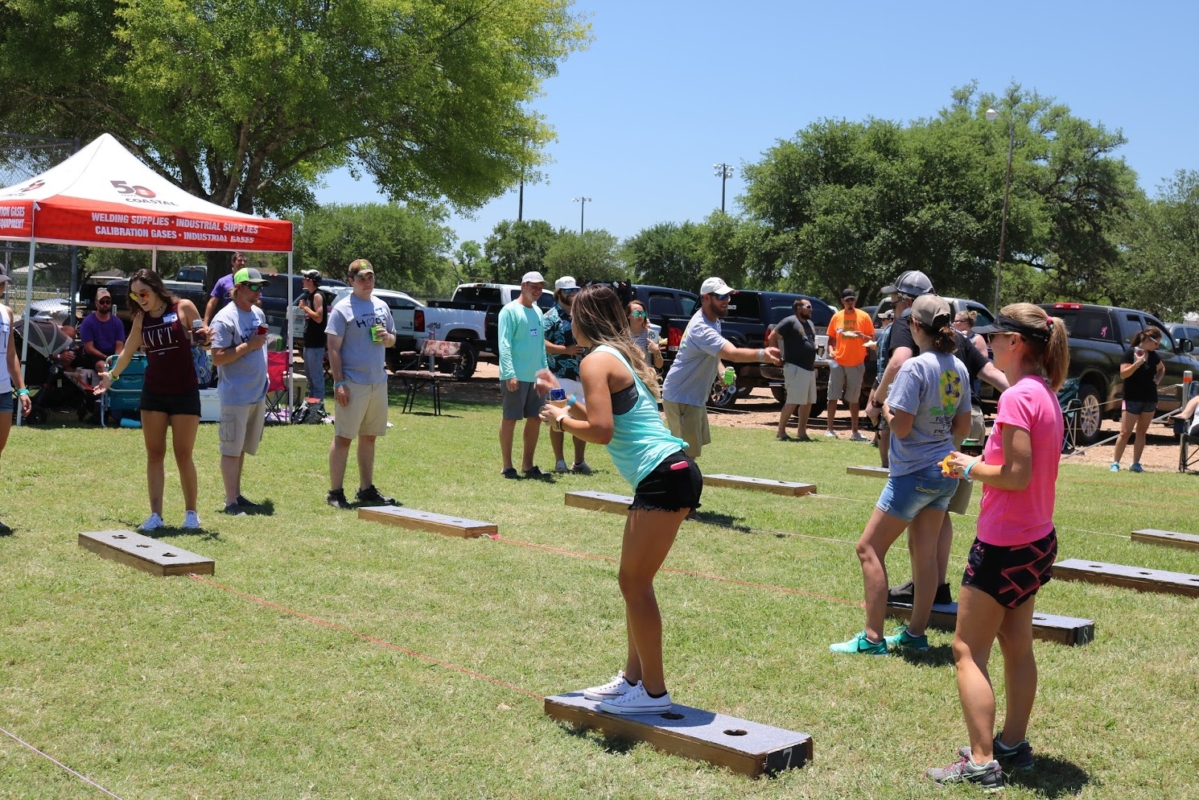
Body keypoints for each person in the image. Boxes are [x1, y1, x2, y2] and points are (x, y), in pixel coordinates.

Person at [536, 284, 702, 715]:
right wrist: (561, 398)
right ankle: (633, 680)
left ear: (581, 320)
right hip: (672, 472)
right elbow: (597, 415)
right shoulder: (619, 357)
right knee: (634, 584)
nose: (567, 322)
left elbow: (601, 432)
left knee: (633, 583)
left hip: (663, 475)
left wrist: (560, 420)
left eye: (571, 315)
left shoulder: (594, 360)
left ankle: (653, 693)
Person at [927, 304, 1068, 791]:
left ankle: (983, 761)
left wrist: (965, 466)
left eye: (994, 335)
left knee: (967, 649)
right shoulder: (1046, 394)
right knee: (1018, 645)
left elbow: (1016, 474)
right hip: (1036, 539)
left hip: (1005, 542)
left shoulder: (1015, 398)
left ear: (1017, 342)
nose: (986, 342)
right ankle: (1012, 744)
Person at [831, 295, 970, 656]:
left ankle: (872, 639)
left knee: (868, 549)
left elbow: (903, 428)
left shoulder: (915, 368)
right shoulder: (958, 366)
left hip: (912, 472)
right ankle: (915, 635)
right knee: (924, 558)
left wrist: (887, 409)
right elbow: (964, 424)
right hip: (945, 470)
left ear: (913, 327)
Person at [96, 269, 206, 531]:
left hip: (184, 391)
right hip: (154, 392)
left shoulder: (184, 307)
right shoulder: (141, 318)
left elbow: (203, 340)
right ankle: (155, 515)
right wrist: (111, 375)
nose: (140, 298)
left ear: (156, 288)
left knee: (183, 454)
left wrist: (207, 341)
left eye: (143, 293)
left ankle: (191, 513)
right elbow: (128, 350)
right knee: (155, 454)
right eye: (135, 295)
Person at [661, 277, 781, 458]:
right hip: (682, 397)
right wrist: (762, 354)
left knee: (690, 454)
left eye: (728, 296)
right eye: (720, 296)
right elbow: (730, 353)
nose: (726, 300)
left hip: (693, 397)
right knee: (683, 456)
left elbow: (713, 353)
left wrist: (722, 371)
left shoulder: (713, 321)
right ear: (706, 297)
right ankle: (673, 485)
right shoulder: (702, 327)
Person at [324, 258, 397, 509]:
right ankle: (335, 492)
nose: (367, 282)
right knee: (344, 437)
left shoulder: (381, 306)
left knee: (369, 437)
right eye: (362, 278)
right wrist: (339, 383)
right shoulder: (343, 308)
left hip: (378, 380)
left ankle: (366, 489)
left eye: (370, 277)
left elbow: (392, 339)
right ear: (351, 281)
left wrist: (387, 338)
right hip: (353, 382)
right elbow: (333, 348)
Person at [209, 268, 270, 516]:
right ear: (241, 287)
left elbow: (260, 344)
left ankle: (236, 493)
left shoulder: (258, 313)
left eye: (260, 286)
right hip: (236, 394)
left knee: (242, 447)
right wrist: (249, 345)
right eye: (254, 286)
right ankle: (230, 502)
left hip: (256, 392)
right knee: (231, 449)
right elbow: (217, 358)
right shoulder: (224, 318)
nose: (259, 290)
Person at [497, 271, 550, 479]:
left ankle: (528, 466)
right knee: (510, 418)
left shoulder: (538, 312)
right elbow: (504, 343)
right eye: (533, 286)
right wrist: (509, 373)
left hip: (535, 377)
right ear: (523, 286)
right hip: (515, 376)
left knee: (535, 418)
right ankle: (507, 466)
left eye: (540, 286)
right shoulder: (509, 311)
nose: (537, 290)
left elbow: (541, 347)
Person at [543, 276, 591, 474]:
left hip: (582, 377)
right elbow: (541, 344)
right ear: (558, 293)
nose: (572, 294)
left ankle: (579, 461)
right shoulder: (550, 317)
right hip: (558, 376)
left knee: (582, 420)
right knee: (558, 418)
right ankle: (560, 461)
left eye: (574, 290)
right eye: (568, 290)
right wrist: (565, 350)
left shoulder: (581, 315)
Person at [0, 267, 33, 533]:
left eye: (3, 283)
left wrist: (21, 389)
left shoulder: (7, 313)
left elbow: (11, 353)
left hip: (2, 392)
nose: (2, 288)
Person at [1111, 326, 1165, 473]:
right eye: (1156, 343)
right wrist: (1136, 364)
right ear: (1147, 339)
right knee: (1125, 432)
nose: (1157, 346)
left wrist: (1158, 380)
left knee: (1141, 432)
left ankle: (1136, 463)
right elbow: (1123, 374)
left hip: (1150, 399)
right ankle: (1115, 463)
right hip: (1132, 398)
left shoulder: (1154, 355)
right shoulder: (1130, 353)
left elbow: (1161, 368)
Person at [825, 288, 874, 440]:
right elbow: (831, 339)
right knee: (832, 395)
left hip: (856, 362)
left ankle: (855, 431)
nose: (850, 302)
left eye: (852, 300)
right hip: (838, 361)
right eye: (847, 300)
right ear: (842, 301)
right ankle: (830, 429)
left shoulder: (864, 317)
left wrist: (863, 336)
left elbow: (872, 341)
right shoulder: (837, 317)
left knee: (854, 398)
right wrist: (831, 351)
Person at [769, 298, 818, 442]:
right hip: (795, 367)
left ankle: (801, 432)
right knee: (793, 401)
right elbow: (773, 336)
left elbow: (809, 340)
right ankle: (781, 432)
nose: (811, 309)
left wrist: (813, 347)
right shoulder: (789, 321)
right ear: (798, 308)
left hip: (809, 368)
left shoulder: (810, 324)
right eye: (808, 306)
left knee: (808, 402)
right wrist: (775, 356)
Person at [298, 269, 328, 405]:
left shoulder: (317, 296)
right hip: (309, 342)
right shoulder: (310, 296)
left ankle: (319, 406)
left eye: (305, 277)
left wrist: (305, 308)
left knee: (316, 377)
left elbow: (319, 318)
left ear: (311, 281)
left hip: (316, 342)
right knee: (310, 376)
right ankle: (312, 405)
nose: (302, 280)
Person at [79, 288, 126, 372]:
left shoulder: (117, 322)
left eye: (108, 302)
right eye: (102, 302)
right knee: (102, 366)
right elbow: (89, 348)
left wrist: (115, 359)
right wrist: (106, 357)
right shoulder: (88, 322)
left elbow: (119, 345)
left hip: (112, 355)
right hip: (94, 356)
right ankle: (108, 384)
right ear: (96, 303)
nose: (105, 304)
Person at [203, 252, 247, 327]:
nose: (242, 263)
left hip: (245, 320)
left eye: (244, 261)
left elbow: (258, 302)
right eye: (239, 260)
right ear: (232, 262)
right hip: (227, 321)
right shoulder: (223, 281)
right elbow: (212, 303)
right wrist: (205, 323)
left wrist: (242, 295)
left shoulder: (250, 281)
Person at [627, 300, 664, 371]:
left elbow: (659, 365)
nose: (640, 315)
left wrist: (656, 352)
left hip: (645, 376)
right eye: (636, 313)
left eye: (642, 313)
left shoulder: (651, 334)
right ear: (628, 315)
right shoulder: (622, 335)